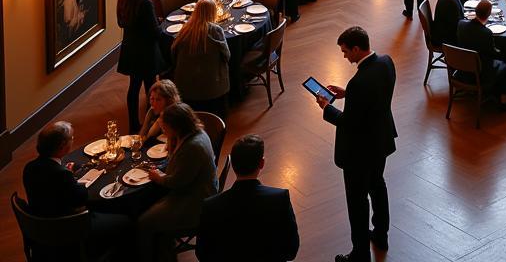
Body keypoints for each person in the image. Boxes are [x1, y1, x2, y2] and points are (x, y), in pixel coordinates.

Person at [315, 27, 397, 262]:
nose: (343, 56)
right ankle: (381, 235)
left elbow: (348, 122)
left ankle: (360, 254)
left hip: (359, 152)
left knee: (357, 202)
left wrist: (326, 107)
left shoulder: (359, 82)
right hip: (380, 140)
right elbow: (373, 99)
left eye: (345, 51)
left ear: (356, 49)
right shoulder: (386, 62)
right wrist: (347, 94)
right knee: (378, 186)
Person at [22, 120, 132, 258]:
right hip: (68, 229)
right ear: (62, 146)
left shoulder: (29, 168)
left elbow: (51, 189)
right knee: (126, 221)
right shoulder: (61, 174)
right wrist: (74, 180)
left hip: (40, 227)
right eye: (71, 138)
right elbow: (82, 197)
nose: (73, 140)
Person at [197, 134, 299, 262]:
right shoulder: (279, 198)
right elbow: (291, 251)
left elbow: (203, 254)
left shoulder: (211, 206)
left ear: (232, 164)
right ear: (261, 163)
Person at [138, 103, 218, 262]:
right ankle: (162, 250)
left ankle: (145, 255)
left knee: (143, 222)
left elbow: (177, 182)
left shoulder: (192, 147)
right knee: (147, 203)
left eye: (165, 128)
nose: (164, 131)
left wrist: (158, 176)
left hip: (195, 201)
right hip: (196, 190)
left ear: (176, 126)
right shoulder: (195, 134)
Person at [116, 0, 162, 133]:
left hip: (130, 49)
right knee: (152, 87)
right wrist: (161, 25)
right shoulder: (146, 3)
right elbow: (155, 32)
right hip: (146, 52)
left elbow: (121, 23)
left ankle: (133, 123)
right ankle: (155, 121)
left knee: (134, 87)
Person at [170, 0, 230, 118]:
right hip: (212, 87)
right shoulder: (216, 31)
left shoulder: (184, 30)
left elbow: (173, 54)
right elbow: (227, 56)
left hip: (186, 87)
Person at [457, 0, 506, 106]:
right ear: (489, 15)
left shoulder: (461, 24)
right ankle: (503, 100)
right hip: (480, 72)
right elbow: (493, 54)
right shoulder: (486, 33)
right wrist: (504, 52)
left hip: (462, 68)